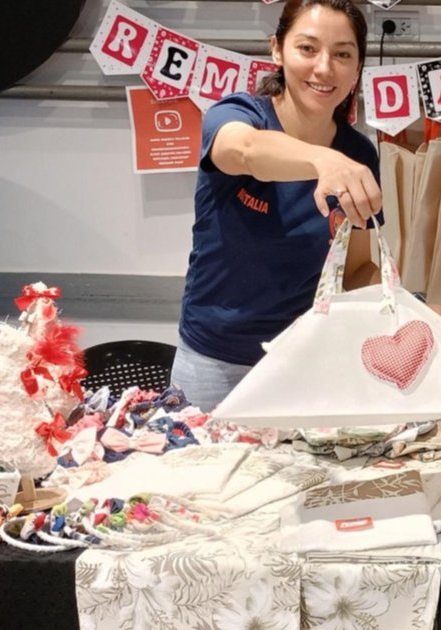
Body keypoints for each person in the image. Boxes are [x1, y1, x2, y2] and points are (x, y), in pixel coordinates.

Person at [172, 0, 381, 411]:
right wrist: (322, 159)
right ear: (277, 49)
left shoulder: (357, 154)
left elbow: (356, 267)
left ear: (357, 67)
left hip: (303, 364)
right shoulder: (237, 115)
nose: (324, 68)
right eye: (307, 48)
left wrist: (401, 308)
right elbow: (246, 151)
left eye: (342, 54)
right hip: (214, 362)